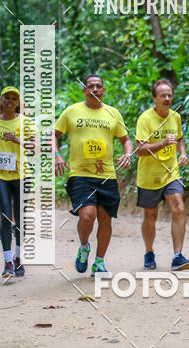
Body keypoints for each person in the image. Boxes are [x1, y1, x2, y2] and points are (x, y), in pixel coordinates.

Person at [54, 74, 133, 277]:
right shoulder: (72, 111)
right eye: (91, 86)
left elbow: (125, 139)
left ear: (104, 90)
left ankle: (99, 263)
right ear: (84, 90)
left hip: (107, 175)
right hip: (80, 174)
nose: (95, 89)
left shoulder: (112, 113)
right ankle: (83, 246)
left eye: (99, 86)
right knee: (88, 215)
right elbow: (53, 135)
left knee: (106, 220)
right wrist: (56, 155)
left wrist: (128, 153)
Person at [135, 78, 189, 271]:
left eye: (169, 95)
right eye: (162, 95)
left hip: (171, 173)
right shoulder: (145, 119)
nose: (167, 98)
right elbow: (140, 149)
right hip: (149, 176)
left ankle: (177, 256)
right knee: (150, 216)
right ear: (154, 98)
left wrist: (182, 153)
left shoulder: (175, 117)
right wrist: (161, 144)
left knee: (178, 208)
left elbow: (180, 138)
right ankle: (149, 251)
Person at [0, 87, 33, 278]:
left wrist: (17, 139)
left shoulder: (25, 122)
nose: (11, 101)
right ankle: (8, 262)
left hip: (22, 174)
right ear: (1, 100)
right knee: (5, 215)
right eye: (7, 98)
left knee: (20, 218)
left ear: (18, 102)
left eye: (15, 98)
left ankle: (19, 258)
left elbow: (36, 145)